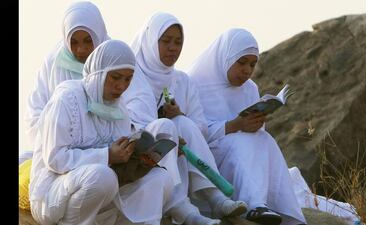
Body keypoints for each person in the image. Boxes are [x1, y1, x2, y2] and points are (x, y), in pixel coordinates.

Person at [29, 39, 182, 225]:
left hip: (101, 192)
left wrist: (139, 157)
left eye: (128, 79)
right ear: (99, 73)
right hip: (51, 194)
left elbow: (118, 163)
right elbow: (55, 159)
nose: (121, 86)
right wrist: (106, 155)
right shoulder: (67, 99)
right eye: (115, 77)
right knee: (103, 176)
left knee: (160, 178)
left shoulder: (120, 108)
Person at [130, 12, 247, 225]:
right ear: (149, 42)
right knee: (168, 126)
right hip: (143, 154)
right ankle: (187, 209)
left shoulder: (182, 81)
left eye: (178, 42)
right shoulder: (130, 77)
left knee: (183, 123)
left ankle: (216, 198)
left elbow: (201, 129)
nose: (173, 48)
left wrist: (180, 115)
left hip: (181, 152)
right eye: (166, 41)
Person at [187, 28, 307, 225]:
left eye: (252, 64)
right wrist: (235, 125)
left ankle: (282, 211)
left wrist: (256, 122)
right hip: (208, 158)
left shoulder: (250, 88)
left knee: (264, 140)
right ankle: (252, 205)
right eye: (241, 63)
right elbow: (192, 132)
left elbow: (257, 135)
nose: (247, 71)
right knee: (243, 140)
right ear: (225, 57)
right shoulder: (194, 82)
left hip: (242, 156)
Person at [25, 1, 110, 145]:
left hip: (109, 146)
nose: (81, 49)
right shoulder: (53, 63)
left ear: (98, 36)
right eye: (74, 42)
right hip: (59, 147)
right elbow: (34, 117)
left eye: (88, 41)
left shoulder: (115, 58)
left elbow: (133, 111)